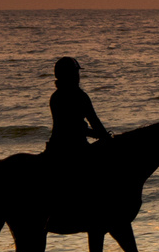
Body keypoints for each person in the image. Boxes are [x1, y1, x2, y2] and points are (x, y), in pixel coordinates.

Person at [45, 57, 110, 212]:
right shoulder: (79, 96)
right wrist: (104, 136)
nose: (78, 77)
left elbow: (66, 125)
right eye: (75, 73)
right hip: (76, 147)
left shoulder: (55, 96)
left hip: (56, 147)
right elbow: (93, 122)